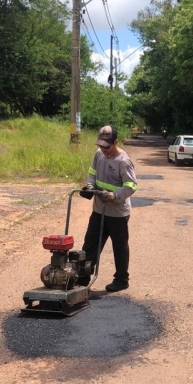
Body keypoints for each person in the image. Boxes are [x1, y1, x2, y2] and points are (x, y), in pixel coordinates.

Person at [79, 125, 137, 292]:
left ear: (115, 142)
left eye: (106, 146)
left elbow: (131, 186)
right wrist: (90, 185)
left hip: (117, 213)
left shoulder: (123, 161)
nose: (103, 149)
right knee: (90, 243)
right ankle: (83, 277)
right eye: (100, 145)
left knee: (119, 246)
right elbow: (92, 172)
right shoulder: (99, 155)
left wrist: (114, 196)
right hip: (99, 209)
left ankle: (121, 279)